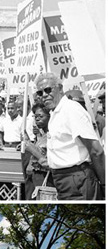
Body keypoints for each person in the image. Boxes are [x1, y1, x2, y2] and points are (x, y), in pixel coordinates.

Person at [35, 72, 105, 200]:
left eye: (48, 90)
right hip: (64, 179)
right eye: (40, 93)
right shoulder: (56, 113)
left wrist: (104, 184)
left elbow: (96, 150)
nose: (44, 95)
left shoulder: (71, 110)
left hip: (77, 178)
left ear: (60, 88)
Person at [24, 102, 55, 199]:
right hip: (35, 176)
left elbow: (50, 162)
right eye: (35, 116)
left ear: (49, 116)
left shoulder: (53, 135)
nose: (37, 119)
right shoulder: (42, 135)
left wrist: (32, 149)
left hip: (47, 177)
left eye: (40, 116)